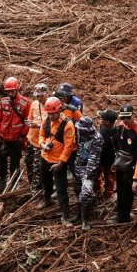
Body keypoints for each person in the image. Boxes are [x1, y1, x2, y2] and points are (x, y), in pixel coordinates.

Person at [38, 96, 76, 224]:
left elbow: (69, 146)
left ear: (59, 110)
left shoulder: (67, 124)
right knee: (46, 181)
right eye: (48, 113)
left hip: (58, 161)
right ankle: (47, 199)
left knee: (61, 188)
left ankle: (65, 214)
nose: (50, 116)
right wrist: (42, 145)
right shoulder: (46, 120)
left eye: (52, 114)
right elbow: (41, 135)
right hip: (45, 157)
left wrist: (61, 162)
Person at [111, 104, 137, 224]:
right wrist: (115, 161)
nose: (125, 120)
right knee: (120, 189)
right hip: (120, 162)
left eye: (128, 117)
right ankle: (120, 212)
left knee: (127, 192)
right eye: (123, 118)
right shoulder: (121, 127)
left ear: (133, 115)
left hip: (131, 165)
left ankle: (124, 216)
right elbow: (119, 146)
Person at [0, 76, 31, 188]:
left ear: (17, 89)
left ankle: (14, 182)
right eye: (8, 91)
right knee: (2, 160)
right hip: (3, 137)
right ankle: (2, 180)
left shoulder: (25, 103)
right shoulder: (4, 102)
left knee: (15, 161)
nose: (10, 93)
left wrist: (23, 136)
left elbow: (27, 121)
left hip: (17, 138)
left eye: (12, 91)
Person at [71, 117, 103, 230]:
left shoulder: (97, 138)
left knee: (85, 194)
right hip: (78, 165)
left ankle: (85, 220)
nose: (79, 131)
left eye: (81, 129)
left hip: (89, 169)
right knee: (77, 189)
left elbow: (93, 160)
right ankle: (79, 215)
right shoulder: (80, 134)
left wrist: (87, 177)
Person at [25, 83, 49, 193]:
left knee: (37, 168)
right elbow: (30, 118)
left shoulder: (50, 106)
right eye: (37, 96)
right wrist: (29, 123)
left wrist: (38, 126)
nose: (39, 98)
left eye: (41, 96)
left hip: (41, 143)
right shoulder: (34, 104)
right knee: (28, 163)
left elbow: (51, 126)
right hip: (31, 139)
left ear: (46, 94)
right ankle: (32, 185)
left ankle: (36, 190)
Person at [97, 109, 120, 200]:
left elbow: (119, 150)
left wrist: (115, 162)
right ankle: (98, 192)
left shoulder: (117, 134)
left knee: (109, 180)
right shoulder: (102, 127)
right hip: (99, 159)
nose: (100, 120)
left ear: (107, 122)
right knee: (96, 177)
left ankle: (108, 197)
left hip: (110, 162)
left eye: (102, 119)